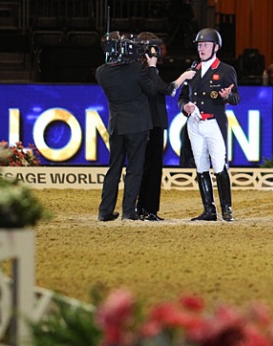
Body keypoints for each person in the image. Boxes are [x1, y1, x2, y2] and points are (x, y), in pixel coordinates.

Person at [178, 28, 240, 222]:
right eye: (199, 45)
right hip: (195, 123)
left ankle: (227, 208)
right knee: (201, 166)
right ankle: (209, 210)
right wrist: (184, 107)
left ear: (216, 47)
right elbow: (182, 97)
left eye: (205, 45)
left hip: (214, 123)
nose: (201, 49)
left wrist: (227, 96)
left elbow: (236, 97)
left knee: (220, 165)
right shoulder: (192, 69)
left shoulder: (226, 70)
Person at [96, 31, 158, 222]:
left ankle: (105, 211)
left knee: (113, 168)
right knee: (134, 169)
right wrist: (152, 67)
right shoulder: (137, 68)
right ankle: (128, 212)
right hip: (138, 125)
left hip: (116, 125)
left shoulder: (101, 72)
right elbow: (151, 89)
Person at [136, 32, 196, 221]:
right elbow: (167, 89)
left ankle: (143, 208)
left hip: (151, 122)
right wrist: (184, 76)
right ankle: (148, 209)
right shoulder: (145, 71)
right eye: (157, 49)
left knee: (148, 167)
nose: (160, 53)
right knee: (152, 168)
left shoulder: (143, 71)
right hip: (151, 123)